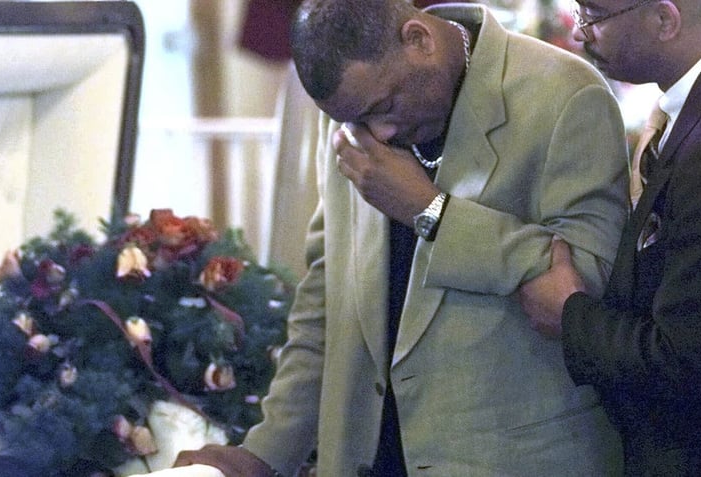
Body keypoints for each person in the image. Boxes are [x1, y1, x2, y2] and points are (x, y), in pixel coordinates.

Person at [172, 1, 630, 475]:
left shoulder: (564, 94)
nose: (382, 132)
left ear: (419, 40)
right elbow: (326, 312)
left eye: (386, 106)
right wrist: (265, 455)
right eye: (358, 119)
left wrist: (428, 209)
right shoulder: (354, 119)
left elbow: (586, 292)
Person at [518, 0, 701, 475]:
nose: (579, 33)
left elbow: (689, 362)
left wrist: (570, 318)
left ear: (665, 19)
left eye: (594, 15)